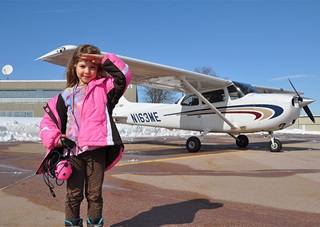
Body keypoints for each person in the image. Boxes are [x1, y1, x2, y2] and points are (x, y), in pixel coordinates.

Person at [37, 44, 132, 227]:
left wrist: (104, 59)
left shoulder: (105, 89)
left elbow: (124, 76)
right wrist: (56, 139)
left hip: (96, 151)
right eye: (82, 66)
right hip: (73, 153)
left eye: (92, 67)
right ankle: (72, 223)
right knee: (73, 195)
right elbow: (47, 122)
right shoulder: (65, 96)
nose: (87, 71)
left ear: (98, 69)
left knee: (94, 195)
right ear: (74, 67)